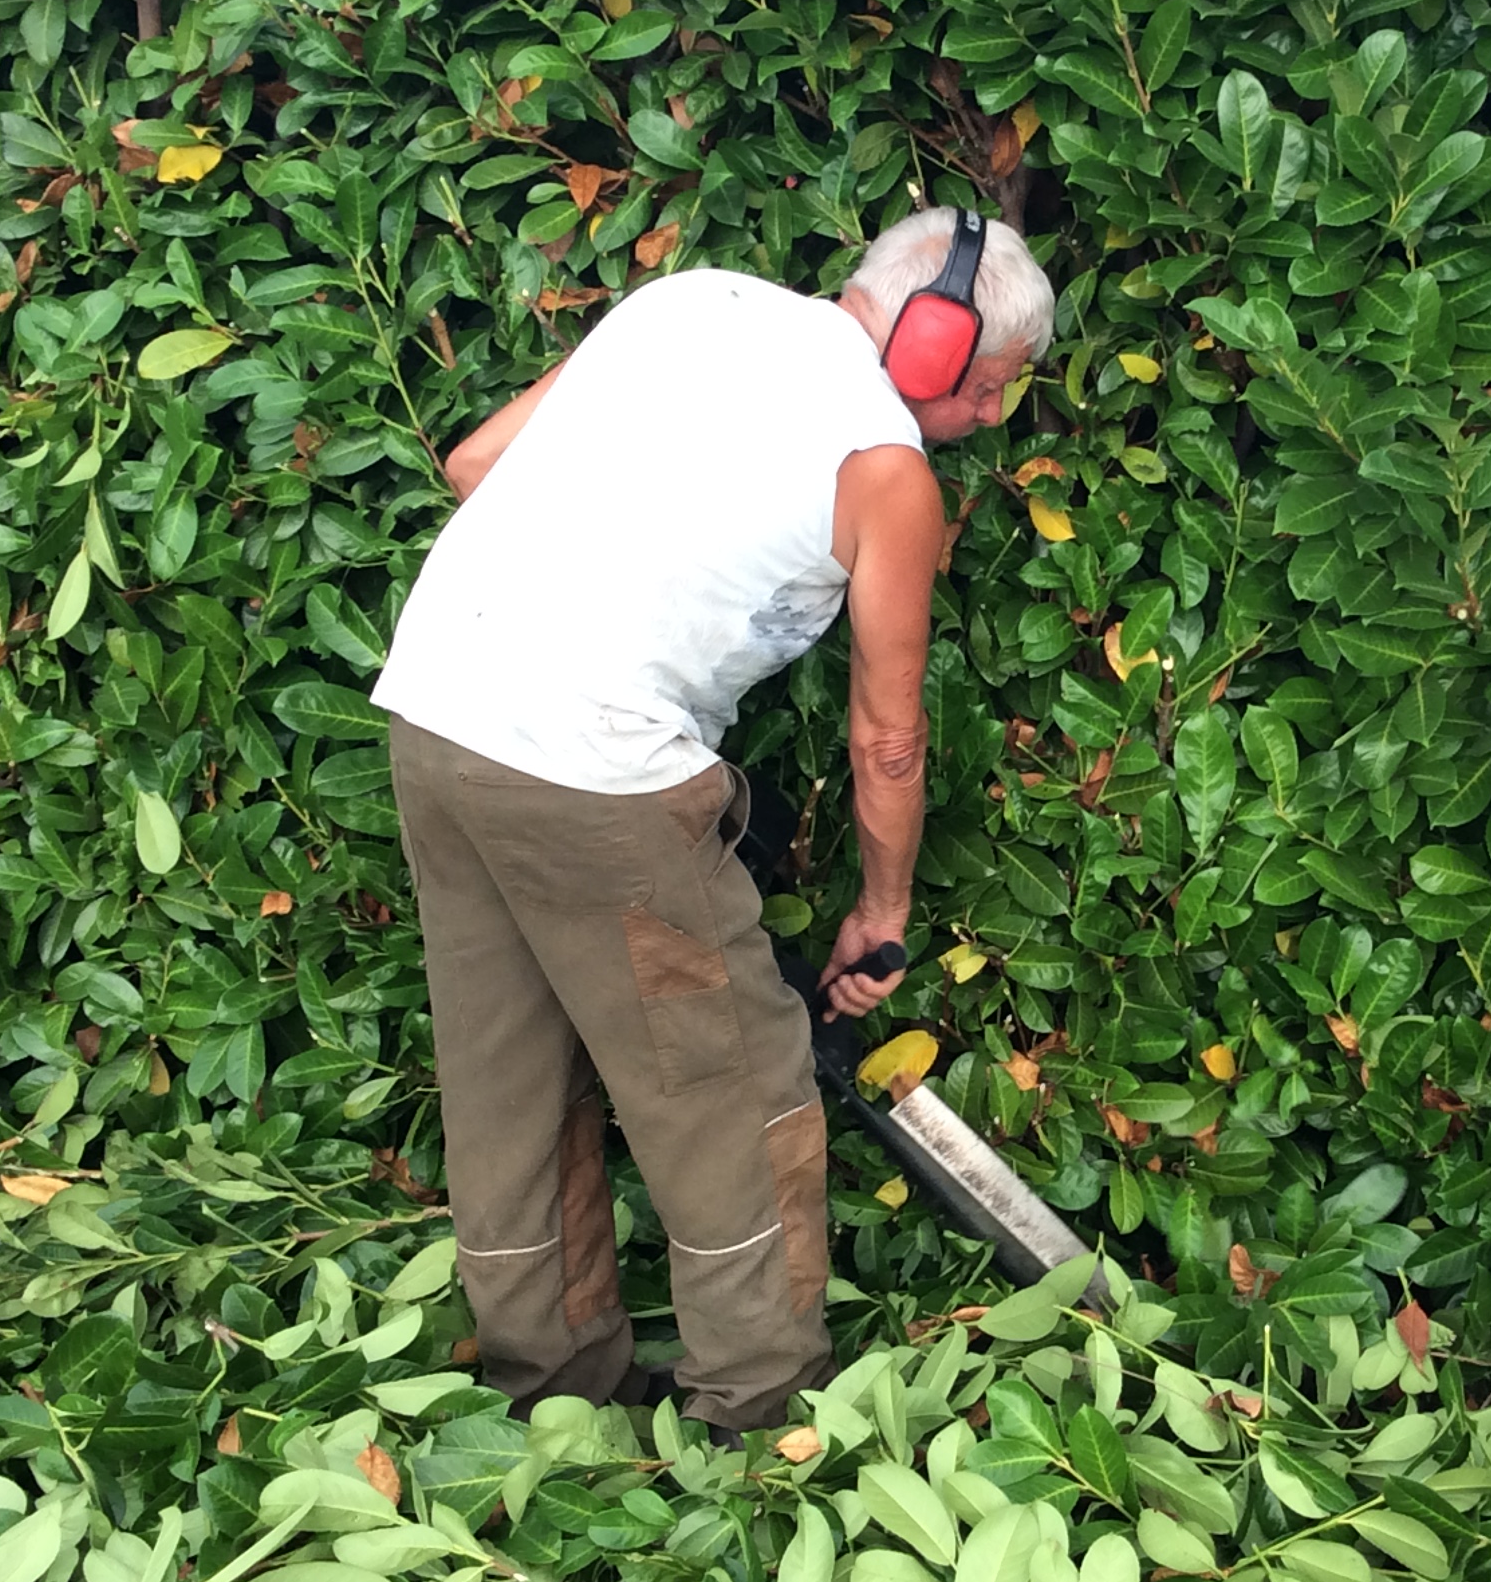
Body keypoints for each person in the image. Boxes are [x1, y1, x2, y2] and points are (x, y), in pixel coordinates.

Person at [373, 207, 1055, 1444]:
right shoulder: (885, 468)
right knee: (732, 1089)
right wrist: (883, 910)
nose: (996, 418)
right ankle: (756, 1417)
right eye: (995, 386)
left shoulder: (692, 301)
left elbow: (476, 464)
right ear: (935, 342)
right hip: (595, 776)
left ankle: (550, 1398)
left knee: (508, 1078)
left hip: (434, 715)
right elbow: (888, 739)